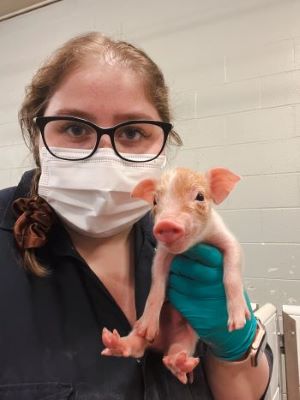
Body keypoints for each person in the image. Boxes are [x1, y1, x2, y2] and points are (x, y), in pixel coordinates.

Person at [0, 32, 272, 400]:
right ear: (38, 136)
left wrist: (234, 347)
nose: (105, 154)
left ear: (162, 146)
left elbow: (244, 395)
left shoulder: (186, 246)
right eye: (75, 128)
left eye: (131, 131)